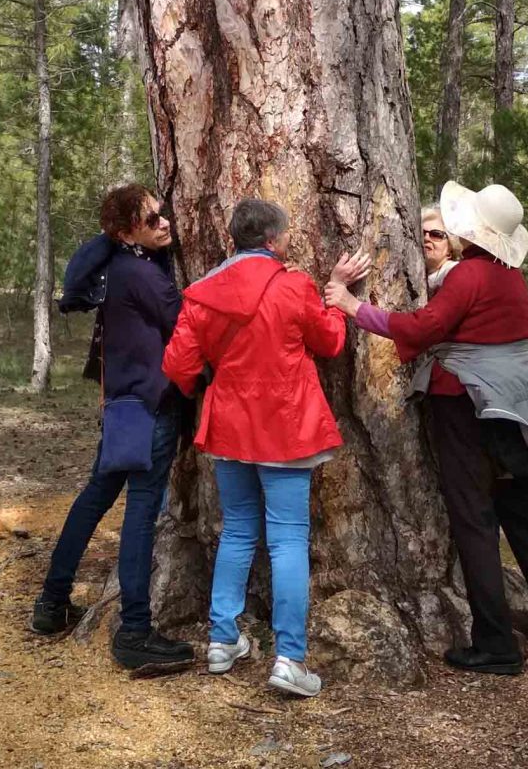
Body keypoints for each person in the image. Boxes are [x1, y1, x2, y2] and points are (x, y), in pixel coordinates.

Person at [325, 181, 528, 676]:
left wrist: (351, 306)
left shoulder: (471, 276)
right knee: (521, 512)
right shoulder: (508, 275)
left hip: (467, 407)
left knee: (474, 519)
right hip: (510, 409)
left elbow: (418, 330)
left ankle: (496, 644)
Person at [162, 199, 370, 698]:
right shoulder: (291, 284)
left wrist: (214, 376)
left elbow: (177, 366)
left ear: (235, 238)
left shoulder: (204, 293)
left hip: (229, 427)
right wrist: (335, 298)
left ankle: (222, 639)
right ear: (274, 241)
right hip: (286, 427)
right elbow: (329, 341)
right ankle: (290, 659)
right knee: (287, 541)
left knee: (237, 531)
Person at [28, 184, 197, 671]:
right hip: (151, 407)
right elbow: (184, 327)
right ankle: (135, 632)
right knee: (142, 513)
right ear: (127, 233)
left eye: (163, 214)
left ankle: (52, 603)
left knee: (95, 497)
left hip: (124, 406)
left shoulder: (119, 267)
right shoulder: (139, 274)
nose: (165, 223)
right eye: (151, 220)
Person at [422, 205, 463, 294]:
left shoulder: (454, 271)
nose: (426, 238)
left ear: (450, 247)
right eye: (422, 233)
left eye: (436, 235)